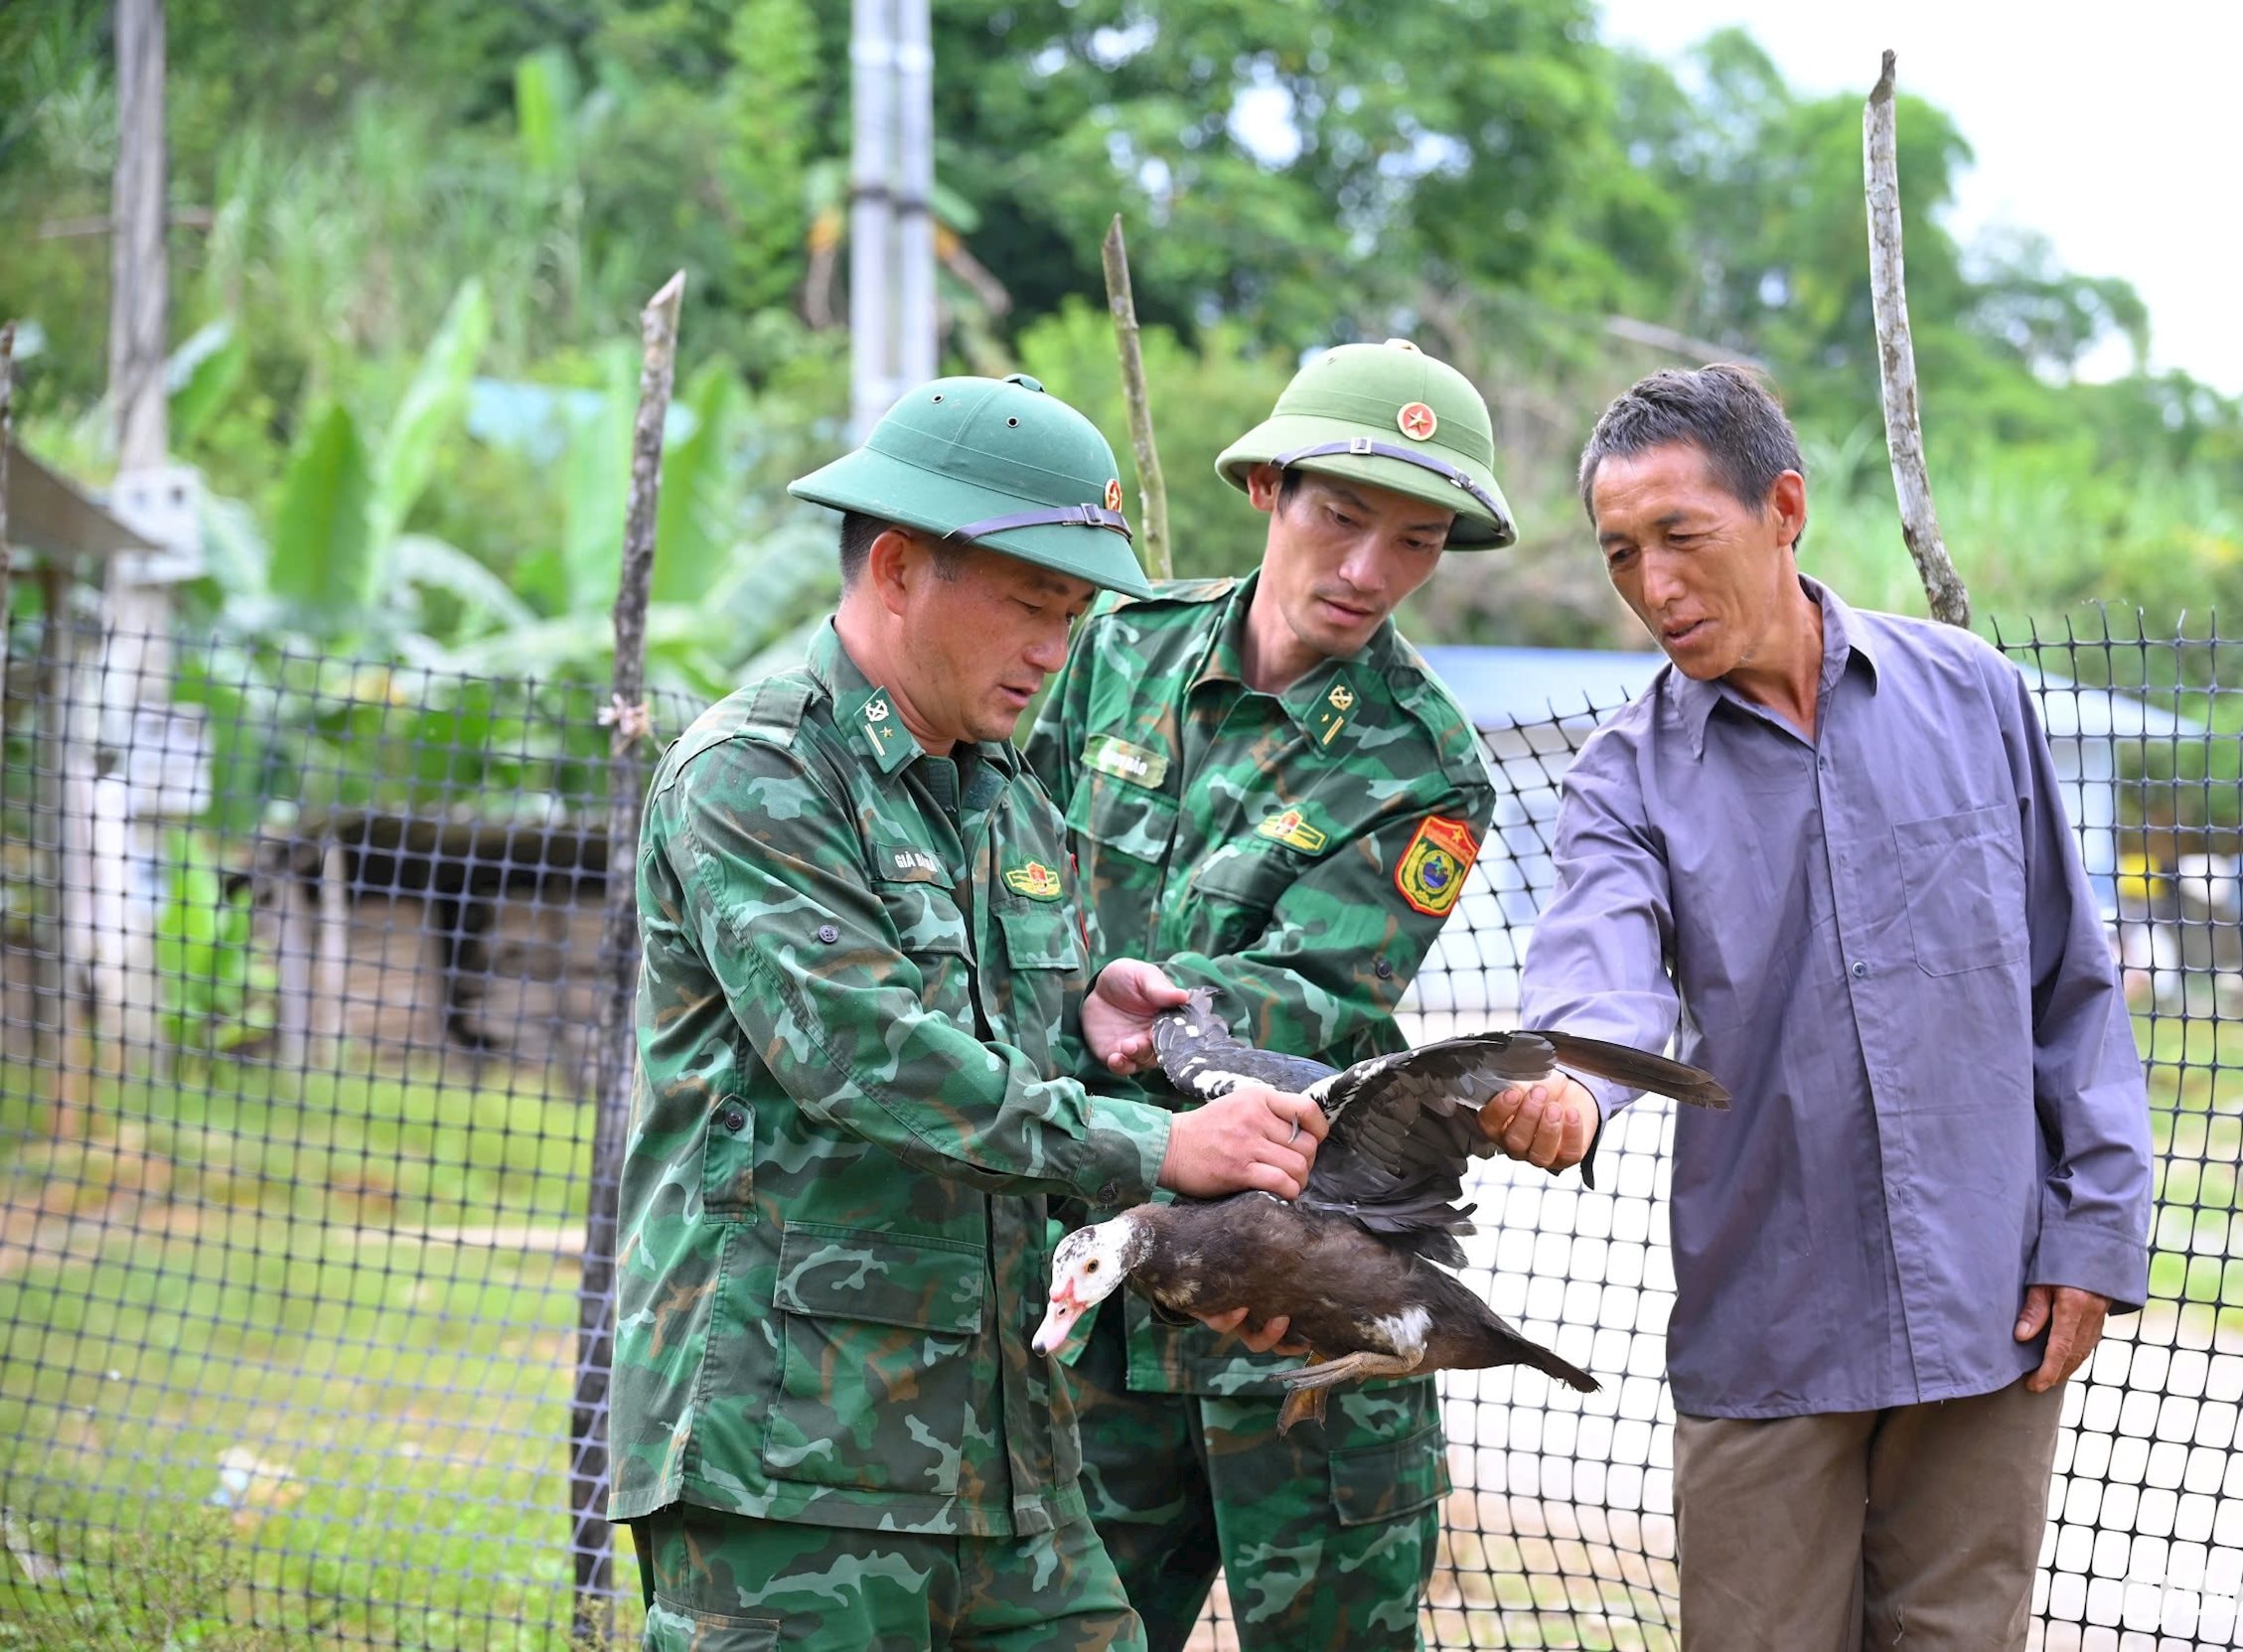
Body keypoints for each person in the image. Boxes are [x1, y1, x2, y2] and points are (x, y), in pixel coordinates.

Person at [608, 373, 1330, 1652]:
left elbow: (1012, 1058)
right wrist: (1159, 1149)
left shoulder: (1005, 801)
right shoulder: (758, 775)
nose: (1057, 649)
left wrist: (1092, 1015)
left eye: (1074, 611)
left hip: (1002, 1458)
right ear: (897, 568)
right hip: (789, 1452)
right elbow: (867, 1056)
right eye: (1031, 604)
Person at [1488, 365, 2155, 1649]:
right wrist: (1570, 1085)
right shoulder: (1623, 780)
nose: (1655, 589)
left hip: (1989, 1308)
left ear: (1784, 507)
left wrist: (2095, 1235)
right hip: (1768, 1332)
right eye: (1622, 555)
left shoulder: (1976, 698)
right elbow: (1601, 967)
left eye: (1682, 537)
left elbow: (2071, 987)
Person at [1025, 339, 1519, 1649]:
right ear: (1269, 492)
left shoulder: (1429, 766)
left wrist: (1088, 999)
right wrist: (1071, 992)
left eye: (1415, 541)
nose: (1368, 572)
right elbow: (999, 874)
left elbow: (1302, 1001)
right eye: (1342, 518)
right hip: (1103, 1278)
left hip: (1301, 1303)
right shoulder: (1109, 655)